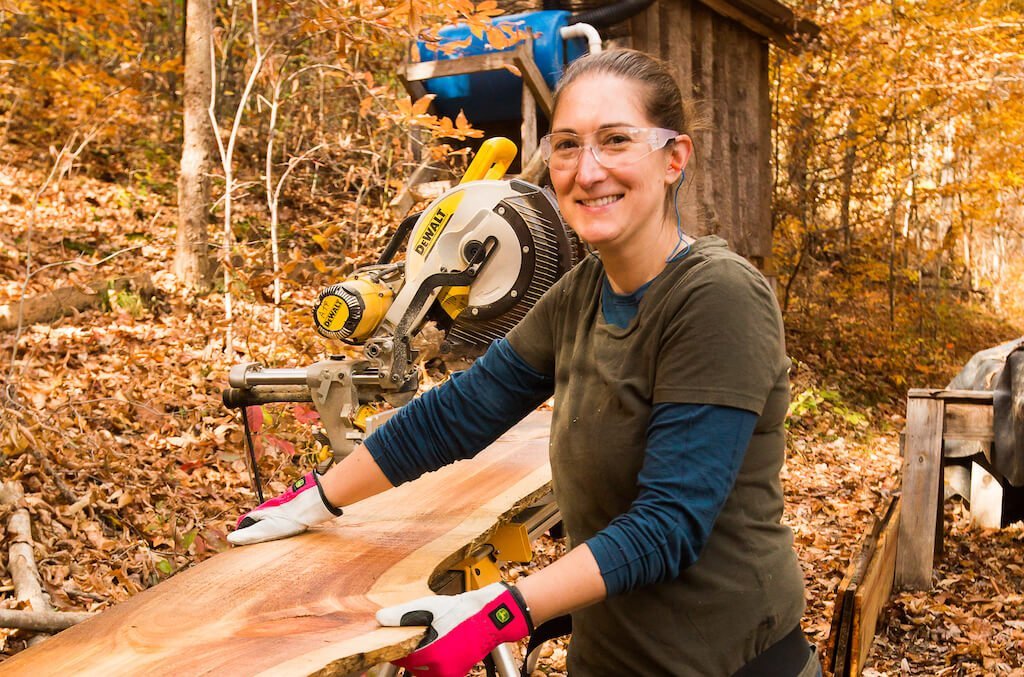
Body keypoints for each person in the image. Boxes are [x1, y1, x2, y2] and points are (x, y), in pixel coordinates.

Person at [228, 49, 820, 677]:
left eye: (616, 140)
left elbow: (670, 524)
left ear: (674, 158)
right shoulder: (584, 292)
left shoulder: (717, 297)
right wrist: (314, 499)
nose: (587, 170)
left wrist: (501, 614)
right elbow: (459, 413)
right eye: (567, 145)